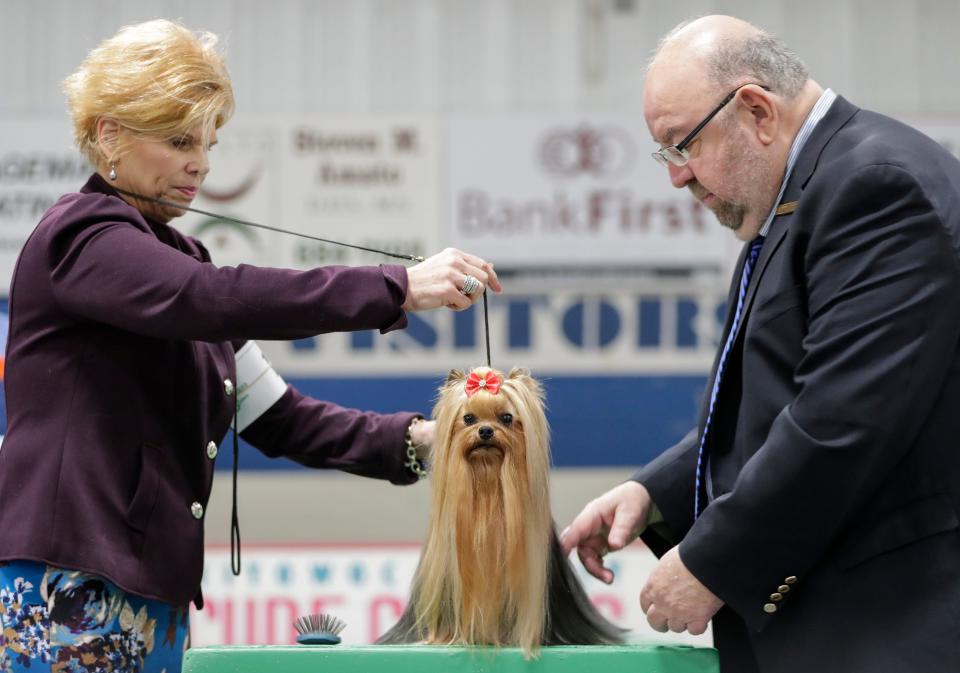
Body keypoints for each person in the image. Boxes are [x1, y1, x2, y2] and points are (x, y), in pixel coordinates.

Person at [0, 19, 501, 673]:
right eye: (180, 140)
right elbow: (206, 296)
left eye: (208, 143)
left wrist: (422, 441)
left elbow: (279, 416)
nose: (201, 163)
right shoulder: (83, 236)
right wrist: (397, 284)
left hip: (150, 592)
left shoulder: (178, 258)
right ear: (109, 133)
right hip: (65, 583)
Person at [561, 14, 960, 673]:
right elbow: (779, 400)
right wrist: (658, 492)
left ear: (755, 110)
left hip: (891, 625)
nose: (678, 177)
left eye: (681, 145)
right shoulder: (812, 193)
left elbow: (841, 419)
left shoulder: (875, 187)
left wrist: (715, 559)